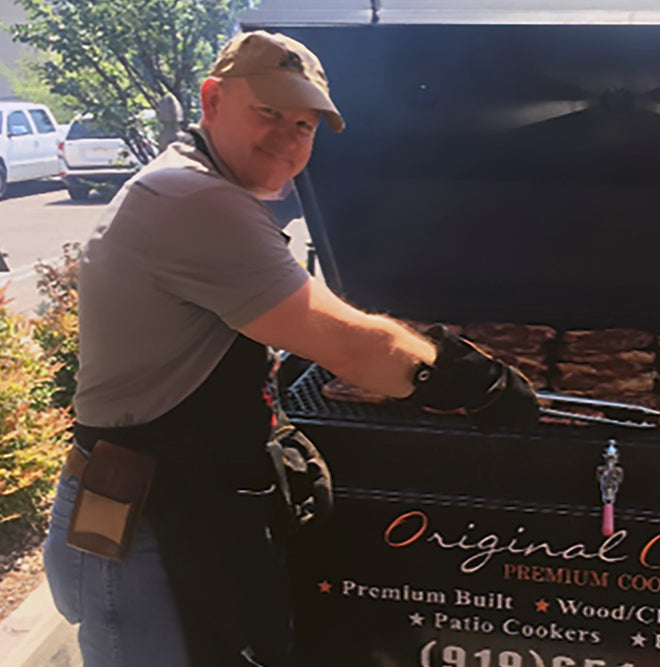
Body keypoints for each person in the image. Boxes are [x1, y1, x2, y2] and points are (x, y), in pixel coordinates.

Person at [43, 30, 538, 667]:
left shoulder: (193, 188)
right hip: (146, 528)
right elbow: (351, 347)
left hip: (176, 508)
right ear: (212, 99)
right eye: (269, 113)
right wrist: (478, 381)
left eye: (304, 125)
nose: (287, 137)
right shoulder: (192, 201)